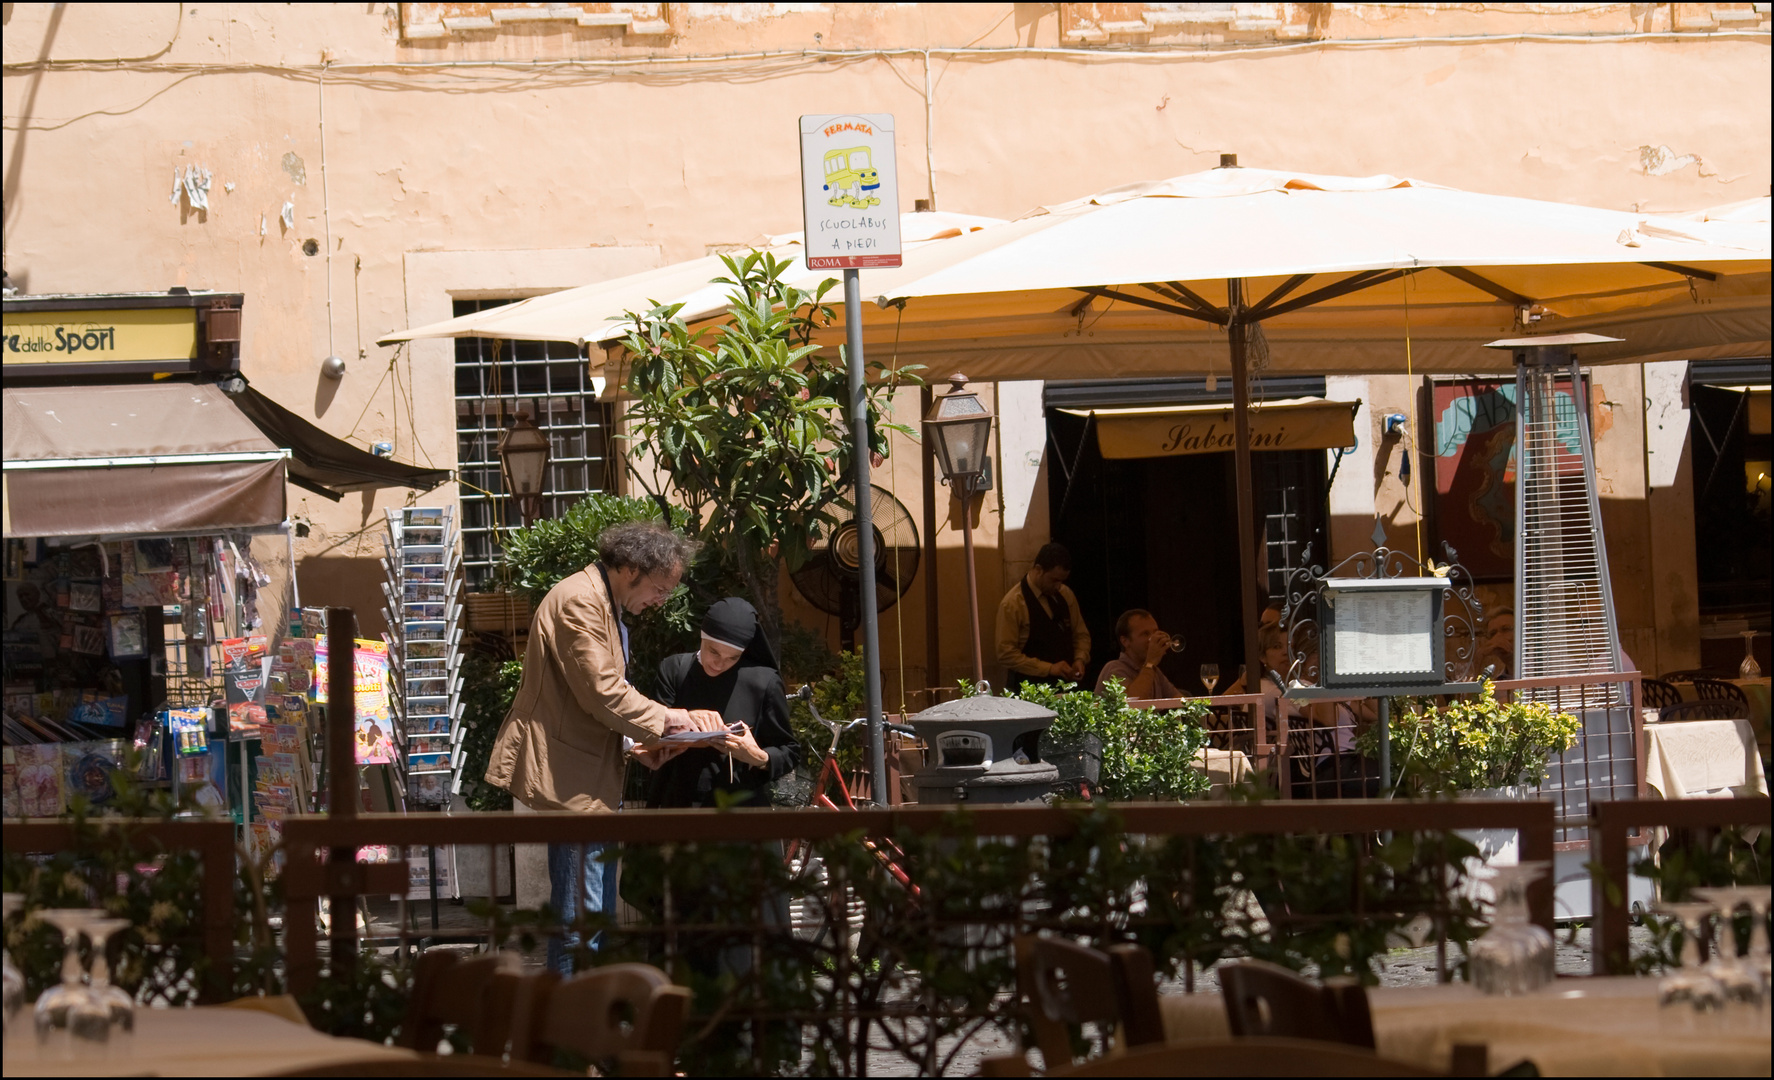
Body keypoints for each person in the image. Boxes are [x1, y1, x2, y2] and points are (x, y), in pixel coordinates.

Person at [484, 521, 724, 974]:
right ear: (630, 568)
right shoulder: (580, 600)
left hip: (583, 776)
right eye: (659, 588)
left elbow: (591, 700)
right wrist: (672, 719)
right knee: (582, 916)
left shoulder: (600, 600)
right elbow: (602, 692)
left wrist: (638, 745)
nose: (660, 600)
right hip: (570, 781)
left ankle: (584, 1022)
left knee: (590, 914)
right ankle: (573, 1030)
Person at [632, 597, 802, 808]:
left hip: (737, 812)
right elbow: (647, 732)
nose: (720, 664)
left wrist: (758, 757)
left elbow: (789, 751)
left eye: (733, 658)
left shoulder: (763, 681)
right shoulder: (675, 670)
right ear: (702, 636)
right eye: (713, 651)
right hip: (677, 805)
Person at [995, 543, 1090, 691]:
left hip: (1066, 689)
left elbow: (1080, 634)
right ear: (1038, 570)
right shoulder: (1013, 604)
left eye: (1062, 581)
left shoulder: (1066, 595)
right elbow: (1005, 654)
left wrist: (1080, 658)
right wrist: (1049, 668)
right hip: (1029, 689)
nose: (1058, 586)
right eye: (1054, 580)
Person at [1094, 609, 1182, 699]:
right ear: (1125, 641)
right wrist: (1150, 662)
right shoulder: (1114, 669)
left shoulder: (1155, 672)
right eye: (1145, 634)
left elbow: (1179, 701)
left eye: (1155, 632)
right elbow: (1133, 706)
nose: (1153, 639)